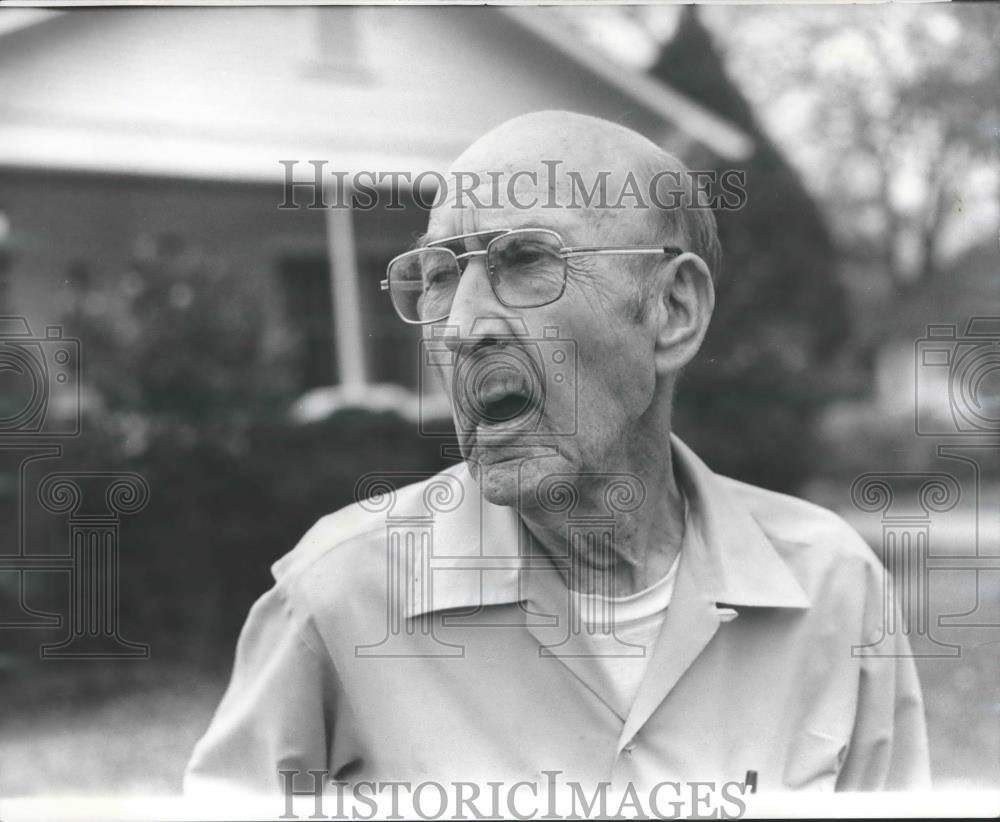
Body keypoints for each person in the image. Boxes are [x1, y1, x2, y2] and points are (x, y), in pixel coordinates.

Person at [184, 111, 929, 802]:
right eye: (441, 275)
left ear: (672, 311)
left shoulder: (834, 588)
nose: (462, 327)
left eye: (525, 259)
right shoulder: (336, 600)